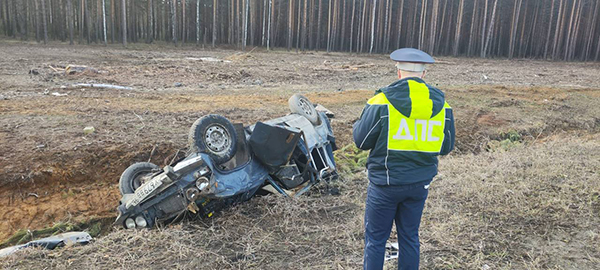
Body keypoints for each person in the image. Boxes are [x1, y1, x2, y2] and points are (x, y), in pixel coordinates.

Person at [353, 48, 455, 270]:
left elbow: (361, 142)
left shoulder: (381, 101)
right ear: (424, 74)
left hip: (385, 184)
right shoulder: (443, 106)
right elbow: (446, 147)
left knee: (376, 240)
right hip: (419, 185)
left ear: (398, 71)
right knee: (409, 237)